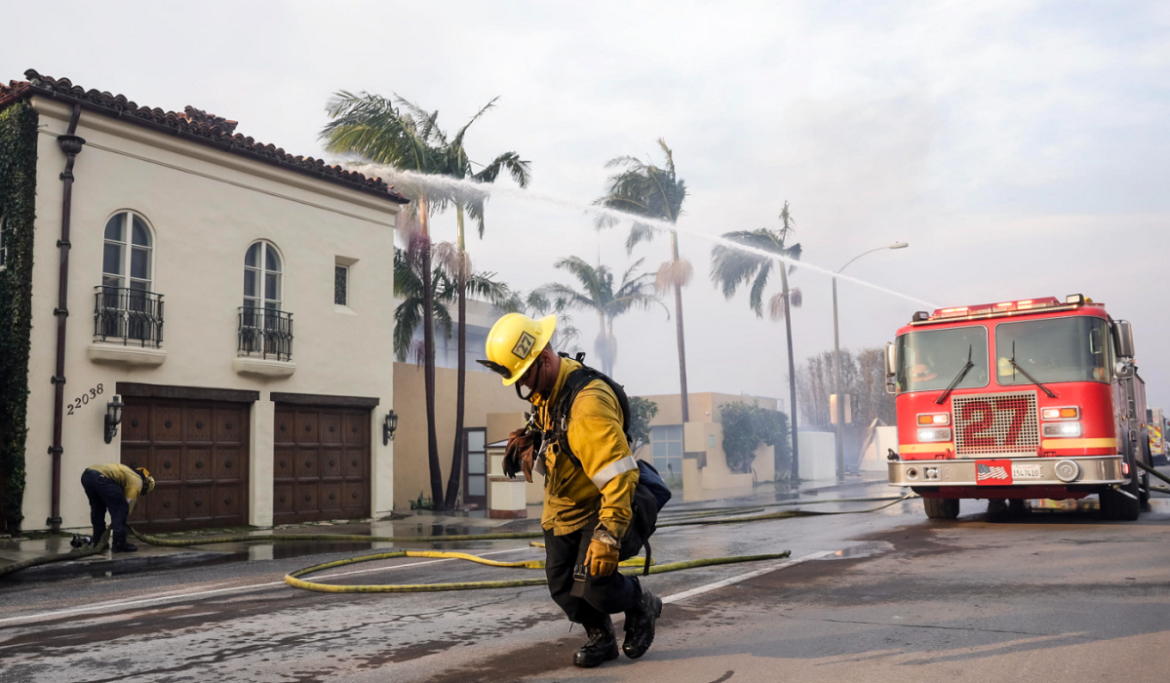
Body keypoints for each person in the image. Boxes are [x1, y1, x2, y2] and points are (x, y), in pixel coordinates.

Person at [478, 312, 663, 668]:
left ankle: (642, 603)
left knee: (596, 584)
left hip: (602, 504)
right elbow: (556, 427)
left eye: (524, 379)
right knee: (563, 587)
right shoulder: (549, 388)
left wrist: (608, 535)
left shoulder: (588, 405)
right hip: (564, 505)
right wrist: (532, 437)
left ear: (544, 359)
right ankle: (602, 638)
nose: (526, 390)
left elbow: (619, 476)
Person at [80, 463, 154, 552]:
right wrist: (122, 517)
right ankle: (120, 543)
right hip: (101, 477)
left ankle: (99, 541)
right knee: (121, 508)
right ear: (145, 484)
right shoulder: (137, 480)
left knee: (98, 509)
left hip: (87, 475)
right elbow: (128, 504)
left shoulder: (128, 474)